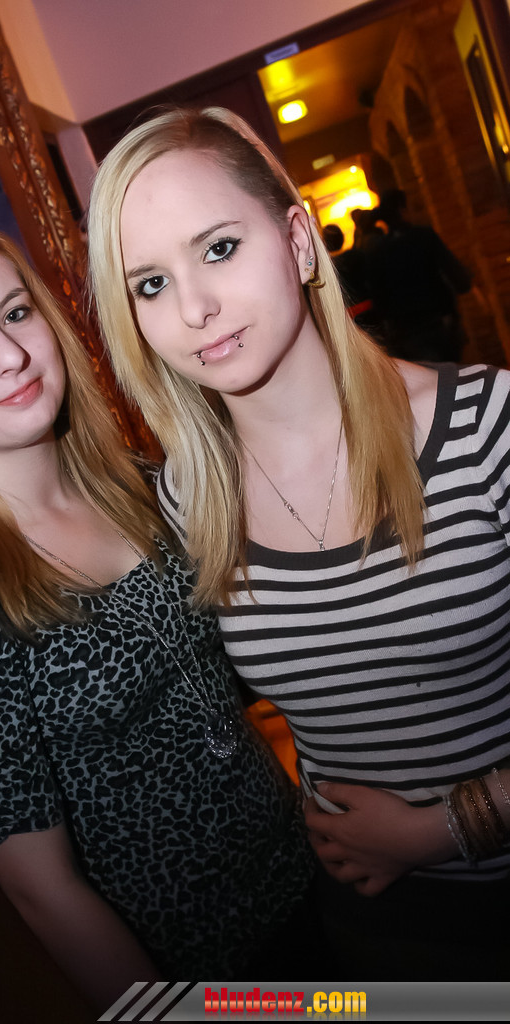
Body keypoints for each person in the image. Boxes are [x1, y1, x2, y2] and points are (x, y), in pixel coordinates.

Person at [87, 106, 510, 979]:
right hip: (378, 939)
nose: (195, 309)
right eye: (150, 285)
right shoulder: (185, 504)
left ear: (295, 240)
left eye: (218, 248)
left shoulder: (485, 424)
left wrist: (446, 826)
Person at [0, 220, 314, 1007]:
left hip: (311, 877)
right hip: (204, 968)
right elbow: (42, 890)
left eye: (14, 313)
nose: (8, 356)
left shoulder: (140, 487)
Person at [368, 187, 472, 362]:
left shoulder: (378, 252)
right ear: (402, 209)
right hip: (439, 322)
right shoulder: (424, 237)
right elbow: (455, 273)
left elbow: (379, 298)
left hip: (406, 333)